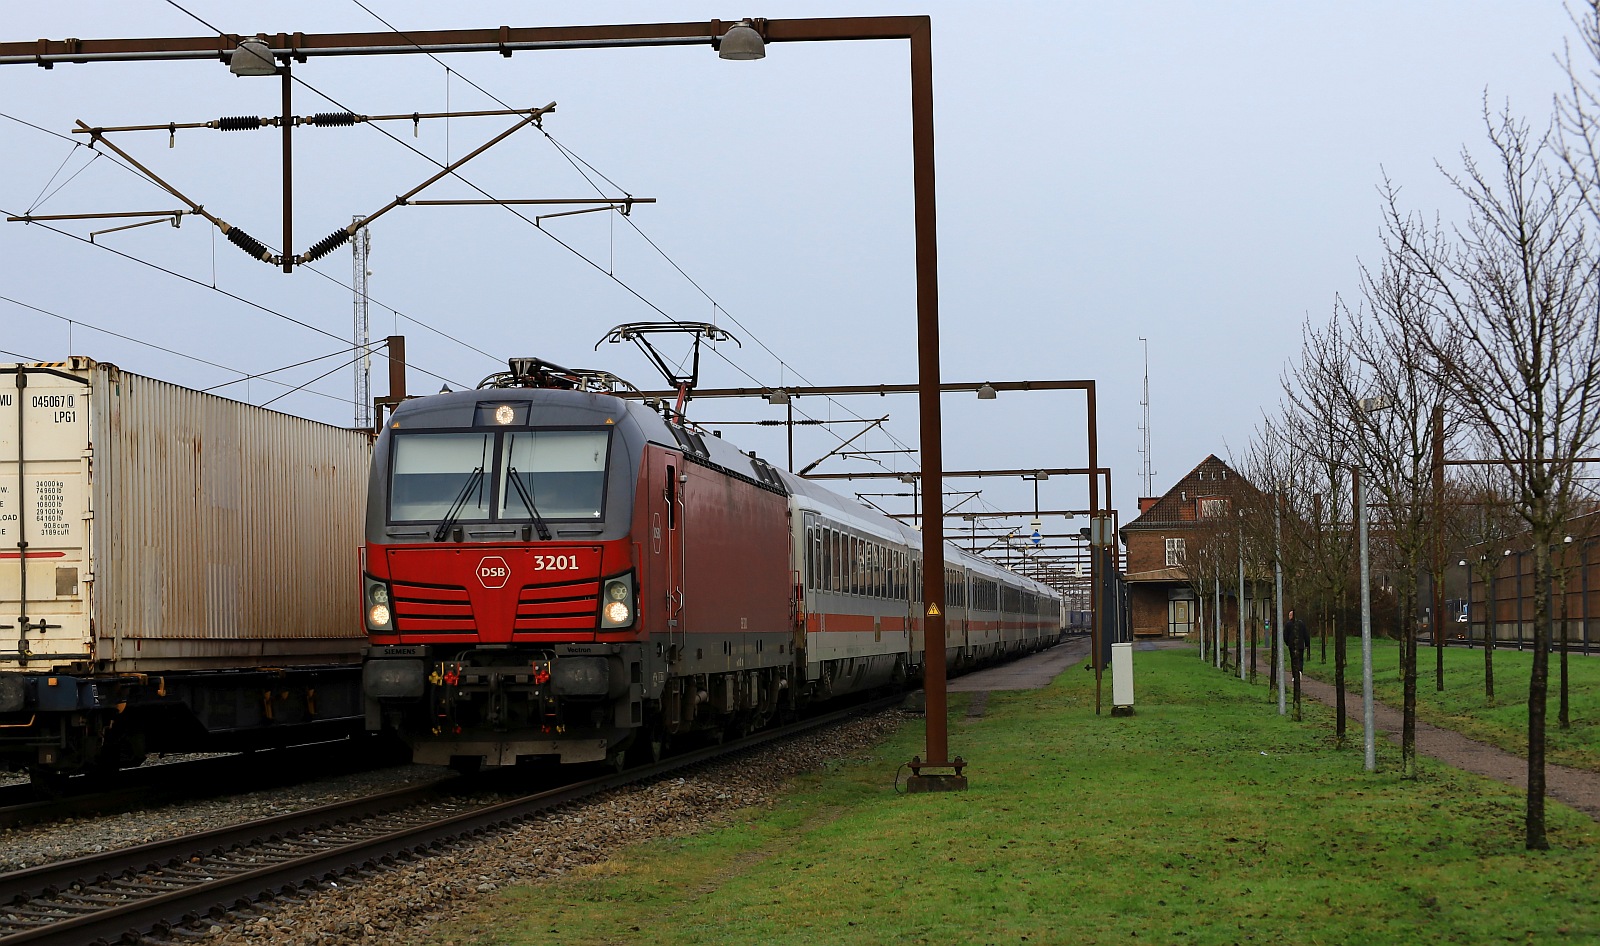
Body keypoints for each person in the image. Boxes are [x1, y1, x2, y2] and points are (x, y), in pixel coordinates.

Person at [1283, 608, 1311, 684]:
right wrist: (1307, 644)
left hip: (1292, 645)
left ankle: (1294, 675)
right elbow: (1306, 634)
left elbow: (1285, 635)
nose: (1289, 616)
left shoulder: (1288, 624)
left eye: (1289, 615)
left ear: (1292, 616)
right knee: (1300, 659)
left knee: (1293, 660)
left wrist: (1287, 643)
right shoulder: (1301, 623)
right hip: (1301, 645)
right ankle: (1300, 670)